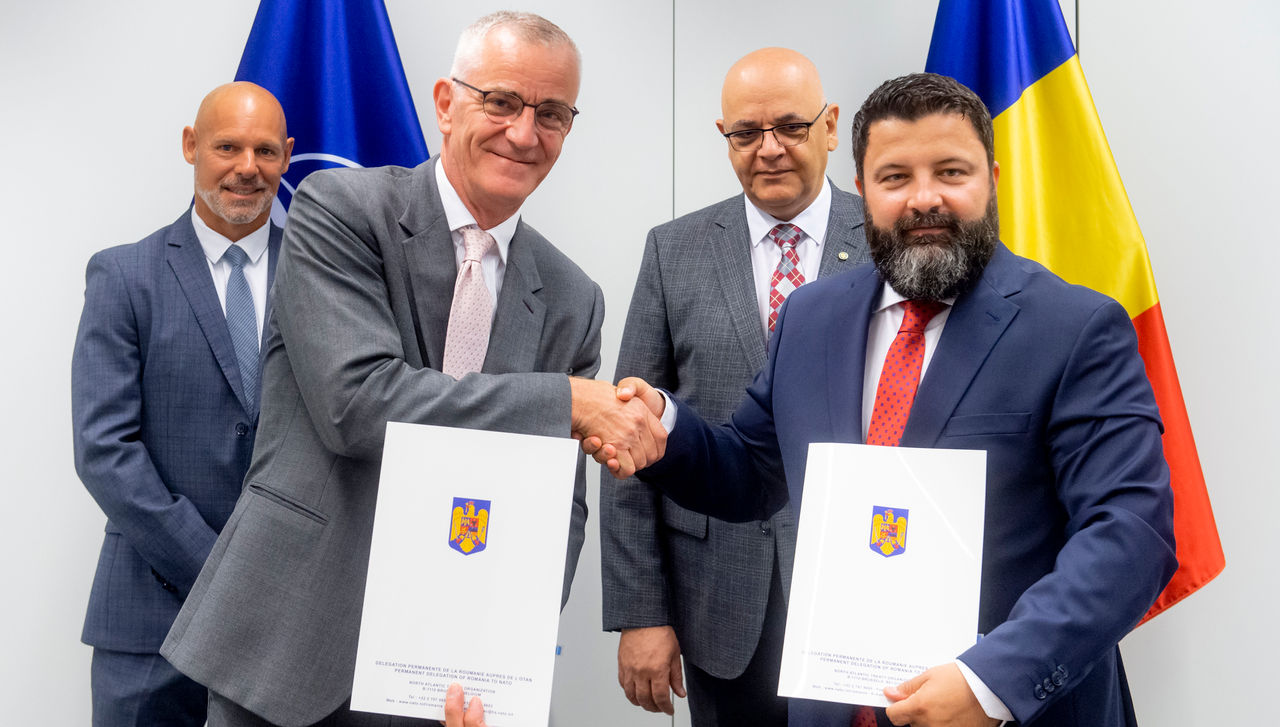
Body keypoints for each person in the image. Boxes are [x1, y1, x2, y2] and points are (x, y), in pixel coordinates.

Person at [592, 73, 1176, 727]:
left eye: (951, 171)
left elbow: (1130, 535)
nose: (924, 198)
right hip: (837, 704)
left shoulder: (1076, 327)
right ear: (864, 191)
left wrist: (991, 681)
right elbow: (750, 470)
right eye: (895, 177)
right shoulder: (813, 316)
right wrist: (665, 428)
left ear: (994, 177)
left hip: (1010, 709)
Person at [161, 12, 661, 727]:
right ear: (445, 100)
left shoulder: (573, 297)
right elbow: (359, 403)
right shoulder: (341, 209)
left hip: (449, 679)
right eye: (501, 101)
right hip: (288, 647)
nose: (525, 132)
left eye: (551, 113)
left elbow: (559, 510)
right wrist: (566, 402)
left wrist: (505, 651)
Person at [600, 47, 868, 725]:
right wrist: (642, 611)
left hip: (864, 590)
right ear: (725, 138)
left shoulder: (891, 242)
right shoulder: (674, 250)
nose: (769, 149)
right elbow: (628, 439)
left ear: (831, 126)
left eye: (791, 127)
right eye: (745, 134)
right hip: (717, 608)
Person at [71, 82, 292, 726]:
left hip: (286, 621)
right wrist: (220, 568)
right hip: (150, 615)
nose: (247, 167)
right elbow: (104, 452)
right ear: (192, 146)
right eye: (227, 146)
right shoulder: (123, 276)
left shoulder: (325, 276)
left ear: (288, 157)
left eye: (265, 150)